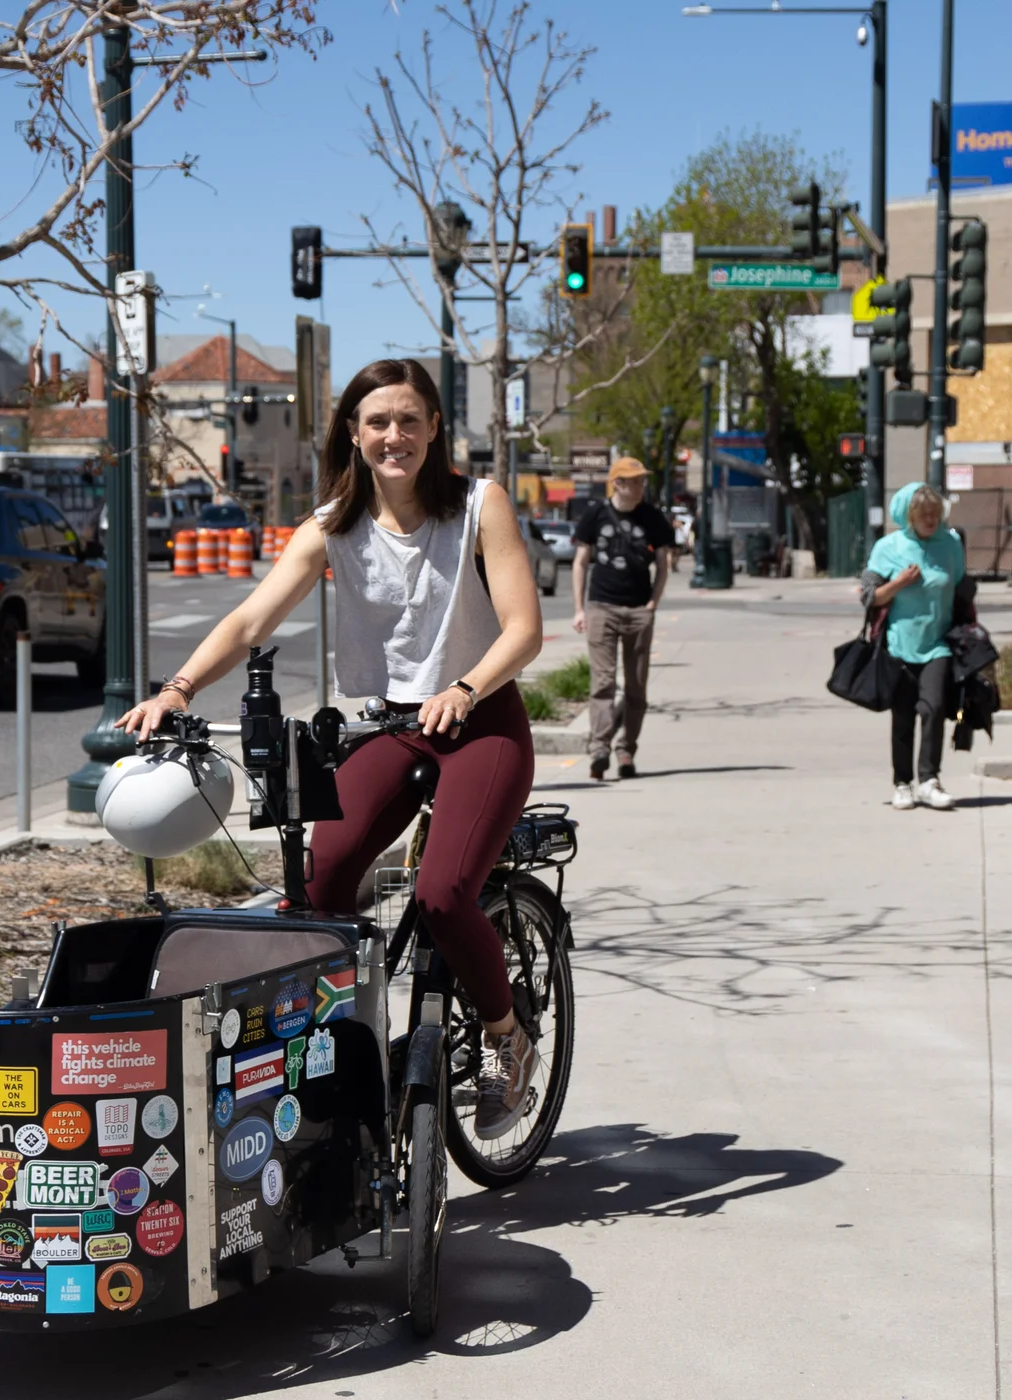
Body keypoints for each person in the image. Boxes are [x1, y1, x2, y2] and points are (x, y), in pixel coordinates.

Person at [118, 358, 547, 1139]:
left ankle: (505, 1037)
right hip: (390, 723)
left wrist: (466, 688)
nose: (395, 436)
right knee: (319, 886)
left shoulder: (481, 507)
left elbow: (524, 630)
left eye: (410, 420)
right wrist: (176, 689)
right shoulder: (331, 528)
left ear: (434, 429)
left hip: (481, 719)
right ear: (354, 433)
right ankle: (340, 1045)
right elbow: (251, 621)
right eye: (378, 422)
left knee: (443, 892)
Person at [572, 455, 677, 779]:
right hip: (602, 607)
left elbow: (663, 563)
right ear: (618, 483)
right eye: (635, 481)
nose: (641, 486)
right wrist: (579, 608)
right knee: (603, 683)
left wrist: (652, 604)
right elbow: (580, 562)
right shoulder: (596, 515)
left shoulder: (653, 518)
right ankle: (599, 749)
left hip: (638, 612)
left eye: (643, 480)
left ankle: (626, 750)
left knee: (636, 688)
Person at [861, 482, 965, 810]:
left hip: (938, 644)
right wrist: (899, 583)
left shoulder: (950, 544)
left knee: (933, 708)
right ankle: (902, 783)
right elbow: (869, 597)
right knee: (903, 715)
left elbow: (963, 585)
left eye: (935, 514)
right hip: (898, 645)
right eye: (924, 516)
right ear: (909, 517)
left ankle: (929, 780)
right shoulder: (887, 548)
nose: (931, 520)